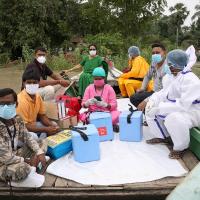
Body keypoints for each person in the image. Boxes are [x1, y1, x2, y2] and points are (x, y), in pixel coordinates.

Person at [145, 49, 200, 159]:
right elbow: (164, 93)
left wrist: (160, 108)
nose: (168, 66)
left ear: (176, 65)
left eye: (169, 64)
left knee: (173, 118)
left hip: (193, 112)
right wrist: (152, 101)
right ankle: (163, 136)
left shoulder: (191, 80)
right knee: (151, 111)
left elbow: (183, 105)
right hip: (180, 107)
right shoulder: (174, 76)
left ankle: (180, 147)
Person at [0, 88, 47, 182]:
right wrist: (27, 161)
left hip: (14, 154)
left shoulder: (17, 119)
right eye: (1, 104)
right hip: (2, 163)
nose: (5, 106)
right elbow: (5, 157)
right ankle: (32, 166)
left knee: (42, 142)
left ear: (16, 104)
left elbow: (27, 137)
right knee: (22, 168)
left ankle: (33, 164)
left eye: (9, 103)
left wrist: (39, 152)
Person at [17, 68, 60, 140]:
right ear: (24, 83)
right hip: (21, 130)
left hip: (33, 124)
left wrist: (51, 126)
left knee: (54, 125)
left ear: (38, 83)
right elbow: (24, 126)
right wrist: (46, 129)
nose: (32, 85)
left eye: (34, 82)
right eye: (29, 83)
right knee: (34, 137)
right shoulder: (20, 101)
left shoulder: (37, 96)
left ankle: (43, 140)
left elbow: (42, 115)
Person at [130, 43, 169, 111]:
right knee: (134, 97)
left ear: (164, 52)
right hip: (154, 92)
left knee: (147, 103)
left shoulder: (167, 67)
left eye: (157, 52)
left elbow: (165, 91)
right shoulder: (154, 63)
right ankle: (149, 114)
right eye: (153, 53)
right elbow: (148, 76)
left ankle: (155, 114)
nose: (155, 55)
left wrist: (146, 101)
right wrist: (142, 88)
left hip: (164, 95)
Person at [80, 67, 120, 132]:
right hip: (93, 113)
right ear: (93, 78)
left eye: (100, 79)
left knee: (117, 114)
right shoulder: (89, 88)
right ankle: (107, 124)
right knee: (82, 116)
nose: (97, 80)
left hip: (107, 113)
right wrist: (87, 103)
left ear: (104, 78)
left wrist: (106, 105)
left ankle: (96, 124)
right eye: (96, 79)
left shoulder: (109, 88)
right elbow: (83, 105)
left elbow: (114, 105)